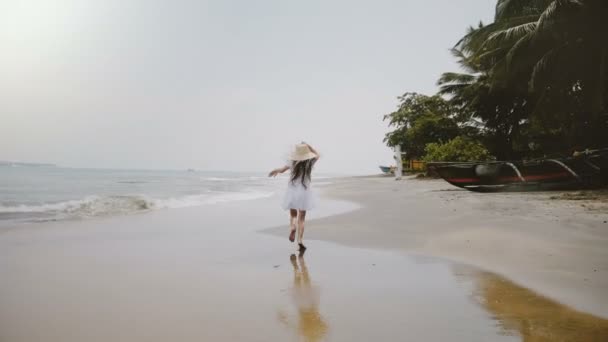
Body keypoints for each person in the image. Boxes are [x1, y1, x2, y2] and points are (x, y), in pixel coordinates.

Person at [268, 142, 320, 251]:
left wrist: (275, 171)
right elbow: (317, 154)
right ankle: (300, 240)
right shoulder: (309, 162)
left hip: (292, 191)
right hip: (305, 192)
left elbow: (282, 170)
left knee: (293, 215)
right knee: (302, 218)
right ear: (307, 154)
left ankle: (292, 227)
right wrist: (309, 147)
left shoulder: (293, 162)